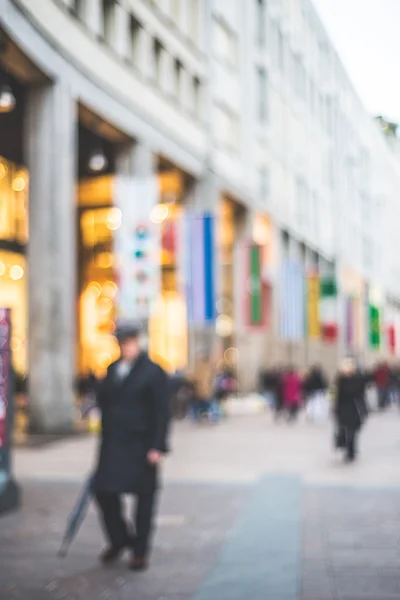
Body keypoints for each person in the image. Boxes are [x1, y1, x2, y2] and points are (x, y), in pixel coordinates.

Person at [94, 322, 170, 571]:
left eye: (127, 341)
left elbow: (162, 412)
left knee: (144, 498)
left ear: (137, 341)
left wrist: (157, 446)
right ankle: (120, 538)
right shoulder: (113, 368)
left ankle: (140, 551)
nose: (124, 346)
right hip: (113, 444)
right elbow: (105, 401)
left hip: (141, 445)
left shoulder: (153, 372)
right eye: (120, 342)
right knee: (102, 491)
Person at [335, 358, 367, 462]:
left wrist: (364, 409)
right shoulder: (339, 380)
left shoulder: (357, 379)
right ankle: (348, 448)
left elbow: (361, 394)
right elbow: (335, 395)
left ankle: (351, 450)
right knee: (344, 429)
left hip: (354, 408)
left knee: (353, 430)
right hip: (343, 408)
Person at [188, 352, 216, 422]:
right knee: (205, 405)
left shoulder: (202, 368)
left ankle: (197, 417)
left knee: (205, 405)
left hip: (202, 391)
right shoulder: (205, 368)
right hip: (202, 391)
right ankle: (198, 417)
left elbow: (193, 378)